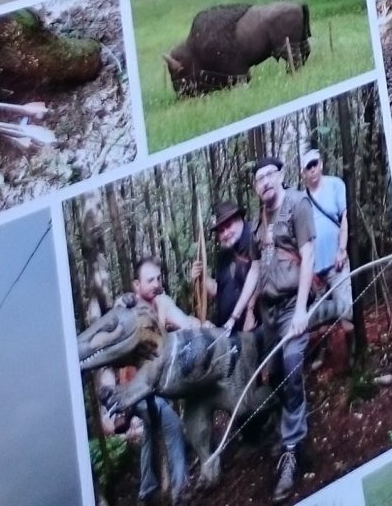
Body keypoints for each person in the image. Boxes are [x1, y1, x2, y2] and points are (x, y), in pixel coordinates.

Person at [225, 155, 317, 503]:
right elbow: (253, 271)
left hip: (294, 305)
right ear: (255, 187)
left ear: (280, 175)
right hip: (269, 314)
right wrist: (235, 316)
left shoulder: (298, 205)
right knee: (275, 375)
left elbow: (308, 255)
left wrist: (303, 309)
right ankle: (289, 428)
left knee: (292, 366)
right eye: (258, 178)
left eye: (268, 175)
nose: (264, 182)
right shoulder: (258, 223)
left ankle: (291, 451)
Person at [121, 257, 194, 502]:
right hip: (137, 390)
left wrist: (192, 326)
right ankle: (180, 489)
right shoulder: (129, 312)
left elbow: (181, 321)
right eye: (150, 280)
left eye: (158, 279)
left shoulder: (159, 303)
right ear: (136, 284)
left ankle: (146, 490)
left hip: (156, 387)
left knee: (152, 432)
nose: (156, 284)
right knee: (172, 424)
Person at [300, 145, 359, 370]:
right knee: (321, 316)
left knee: (345, 309)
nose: (312, 170)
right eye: (308, 167)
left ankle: (352, 352)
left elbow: (344, 218)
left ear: (321, 164)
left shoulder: (336, 185)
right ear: (303, 173)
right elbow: (301, 238)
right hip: (315, 270)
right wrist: (309, 272)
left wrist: (342, 249)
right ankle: (324, 351)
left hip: (337, 263)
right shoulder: (302, 200)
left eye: (314, 164)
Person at [192, 197, 257, 330]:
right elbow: (218, 290)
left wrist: (250, 311)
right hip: (230, 328)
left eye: (229, 226)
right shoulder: (224, 253)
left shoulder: (255, 237)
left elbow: (263, 278)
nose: (225, 233)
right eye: (221, 230)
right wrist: (202, 277)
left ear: (240, 218)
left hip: (255, 325)